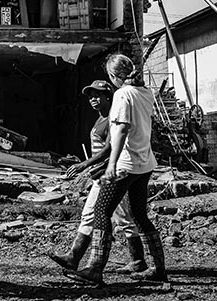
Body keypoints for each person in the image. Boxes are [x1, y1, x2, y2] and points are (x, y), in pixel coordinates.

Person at [67, 53, 167, 284]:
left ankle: (95, 268)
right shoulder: (145, 93)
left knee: (102, 212)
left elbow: (121, 130)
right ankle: (158, 268)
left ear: (113, 76)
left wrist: (111, 164)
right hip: (145, 163)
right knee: (140, 215)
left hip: (126, 164)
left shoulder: (123, 94)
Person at [49, 80, 145, 274]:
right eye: (91, 96)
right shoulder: (100, 119)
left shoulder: (112, 118)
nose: (93, 99)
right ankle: (74, 257)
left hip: (110, 174)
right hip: (101, 174)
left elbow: (110, 148)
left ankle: (133, 260)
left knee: (117, 216)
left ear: (108, 97)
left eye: (98, 95)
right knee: (104, 215)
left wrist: (85, 164)